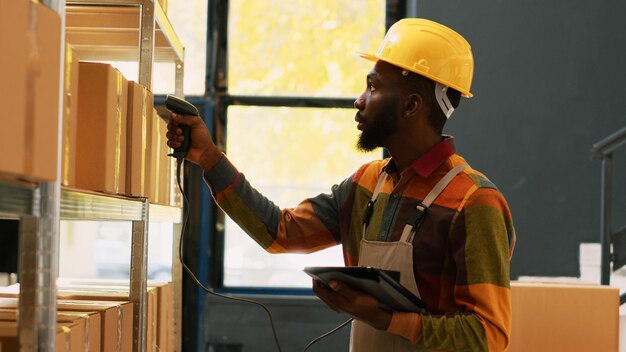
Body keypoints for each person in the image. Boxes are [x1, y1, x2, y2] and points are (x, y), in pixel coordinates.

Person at [167, 18, 516, 352]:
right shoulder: (366, 183)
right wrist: (209, 158)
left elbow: (488, 335)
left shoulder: (473, 201)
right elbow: (280, 232)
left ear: (411, 105)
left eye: (374, 86)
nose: (359, 100)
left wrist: (385, 318)